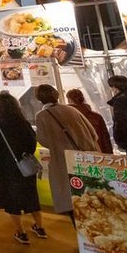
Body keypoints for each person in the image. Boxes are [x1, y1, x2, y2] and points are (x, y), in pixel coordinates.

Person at [0, 93, 46, 245]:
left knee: (11, 200)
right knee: (31, 196)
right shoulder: (22, 121)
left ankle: (21, 232)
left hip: (3, 168)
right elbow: (32, 143)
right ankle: (40, 227)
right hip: (24, 165)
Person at [35, 84, 99, 220]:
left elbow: (43, 140)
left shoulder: (41, 116)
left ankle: (80, 228)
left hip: (62, 160)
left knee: (71, 199)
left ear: (39, 99)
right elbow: (93, 133)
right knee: (91, 195)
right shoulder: (71, 110)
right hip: (84, 157)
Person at [65, 89, 113, 154]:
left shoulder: (66, 118)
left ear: (69, 100)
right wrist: (109, 155)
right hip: (98, 152)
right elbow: (105, 140)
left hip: (77, 154)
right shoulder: (97, 116)